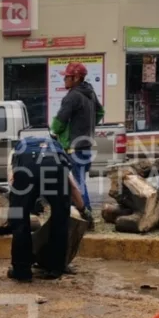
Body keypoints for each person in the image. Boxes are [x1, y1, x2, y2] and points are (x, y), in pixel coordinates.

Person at [7, 135, 87, 282]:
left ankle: (22, 270)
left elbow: (12, 180)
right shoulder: (57, 150)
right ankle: (55, 268)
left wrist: (23, 202)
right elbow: (74, 187)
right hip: (56, 171)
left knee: (19, 220)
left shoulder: (17, 150)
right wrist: (82, 209)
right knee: (60, 219)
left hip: (26, 170)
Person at [50, 61, 103, 227]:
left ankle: (86, 219)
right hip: (86, 146)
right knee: (81, 181)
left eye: (67, 77)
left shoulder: (72, 96)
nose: (64, 80)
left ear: (76, 78)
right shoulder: (90, 93)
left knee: (76, 185)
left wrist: (54, 132)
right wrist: (87, 126)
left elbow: (59, 122)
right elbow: (100, 112)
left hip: (74, 147)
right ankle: (82, 216)